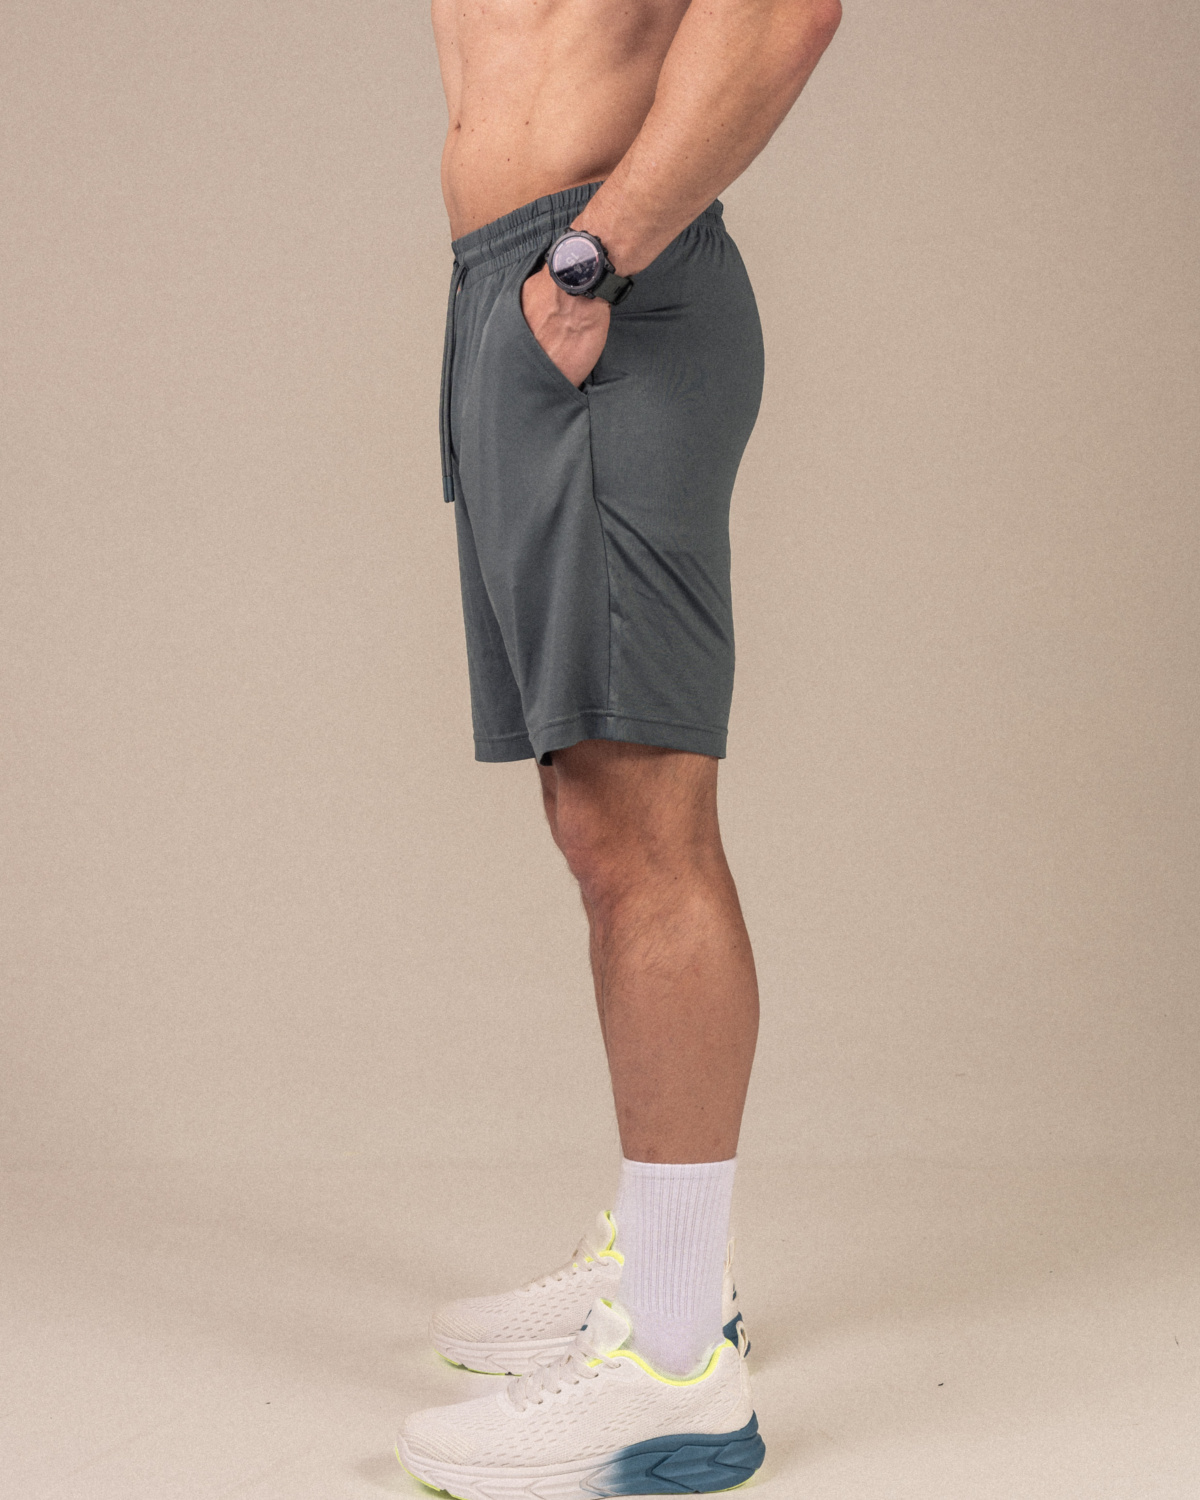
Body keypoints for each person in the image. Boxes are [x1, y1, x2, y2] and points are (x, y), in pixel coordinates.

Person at [398, 0, 841, 1493]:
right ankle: (664, 1264)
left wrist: (593, 258)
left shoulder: (593, 270)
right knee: (595, 819)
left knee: (643, 829)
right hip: (514, 286)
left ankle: (672, 1363)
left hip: (597, 284)